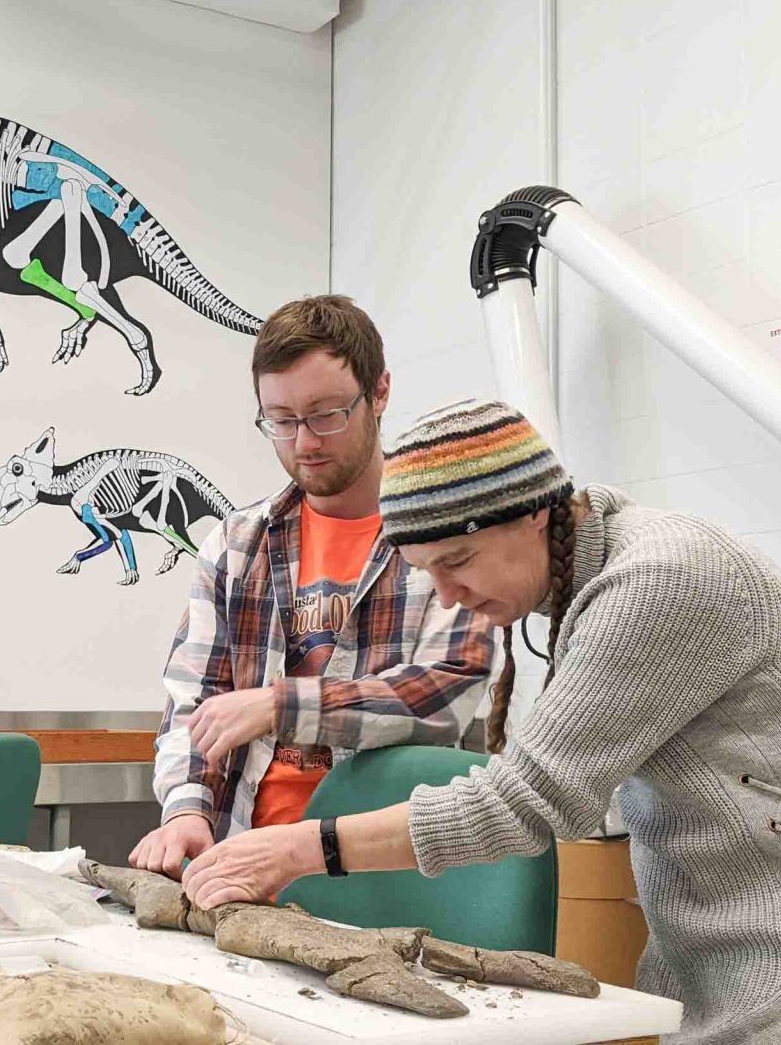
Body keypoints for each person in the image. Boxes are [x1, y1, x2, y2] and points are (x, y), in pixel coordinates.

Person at [181, 399, 781, 1045]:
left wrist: (304, 848)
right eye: (427, 575)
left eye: (457, 562)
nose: (447, 597)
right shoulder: (589, 576)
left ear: (530, 514)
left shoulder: (658, 580)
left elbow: (523, 805)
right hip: (723, 986)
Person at [130, 298, 502, 878]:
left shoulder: (445, 534)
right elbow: (193, 702)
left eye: (327, 414)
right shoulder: (237, 544)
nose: (304, 442)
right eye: (280, 420)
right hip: (240, 861)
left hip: (385, 874)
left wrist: (282, 705)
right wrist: (186, 811)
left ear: (379, 393)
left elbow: (443, 693)